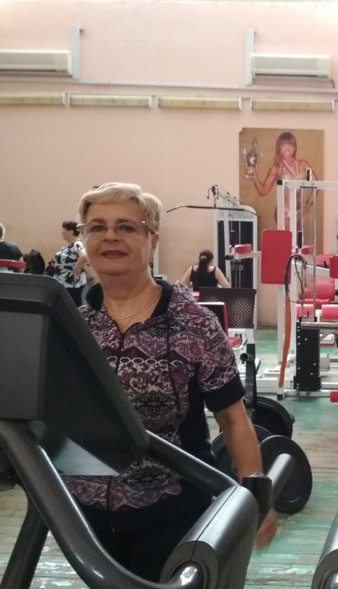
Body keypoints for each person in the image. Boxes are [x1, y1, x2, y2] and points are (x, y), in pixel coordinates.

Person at [64, 182, 277, 582]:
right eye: (97, 227)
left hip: (172, 512)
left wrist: (254, 498)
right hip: (83, 517)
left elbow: (233, 419)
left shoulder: (194, 323)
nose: (110, 236)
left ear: (153, 240)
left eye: (127, 227)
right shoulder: (73, 324)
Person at [248, 131, 318, 244]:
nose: (287, 149)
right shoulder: (276, 169)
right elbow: (263, 191)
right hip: (284, 212)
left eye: (290, 145)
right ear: (279, 148)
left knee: (298, 245)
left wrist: (306, 207)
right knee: (287, 243)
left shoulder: (303, 165)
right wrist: (254, 175)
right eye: (283, 146)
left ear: (294, 148)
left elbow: (316, 185)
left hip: (299, 212)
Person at [47, 220, 89, 305]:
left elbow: (84, 256)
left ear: (71, 232)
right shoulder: (68, 246)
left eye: (64, 230)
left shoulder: (77, 244)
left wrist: (76, 268)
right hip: (63, 284)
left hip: (71, 284)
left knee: (72, 307)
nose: (62, 232)